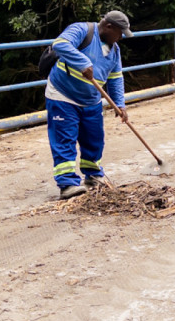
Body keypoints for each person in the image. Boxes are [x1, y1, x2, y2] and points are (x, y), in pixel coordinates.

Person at [46, 11, 131, 199]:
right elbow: (60, 44)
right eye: (120, 32)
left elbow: (116, 77)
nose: (121, 37)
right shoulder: (82, 30)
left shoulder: (114, 50)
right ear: (109, 27)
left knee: (94, 138)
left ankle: (93, 175)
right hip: (63, 95)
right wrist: (83, 63)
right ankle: (67, 183)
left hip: (91, 100)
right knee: (65, 138)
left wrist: (120, 104)